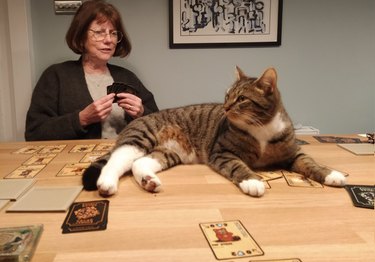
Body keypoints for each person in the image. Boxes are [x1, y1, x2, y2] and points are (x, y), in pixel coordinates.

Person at [25, 0, 158, 141]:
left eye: (113, 33)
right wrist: (81, 119)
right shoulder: (56, 76)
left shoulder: (127, 77)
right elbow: (34, 132)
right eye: (100, 32)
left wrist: (142, 113)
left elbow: (161, 125)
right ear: (81, 37)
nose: (109, 40)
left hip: (123, 156)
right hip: (76, 160)